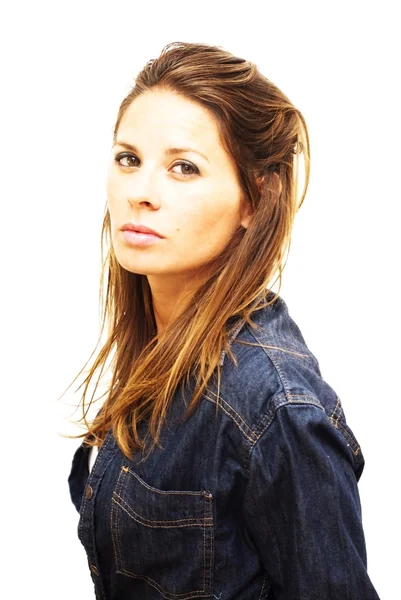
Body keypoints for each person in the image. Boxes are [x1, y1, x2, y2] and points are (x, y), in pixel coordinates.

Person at [67, 41, 380, 599]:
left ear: (253, 201)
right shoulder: (161, 345)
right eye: (129, 159)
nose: (141, 192)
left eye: (183, 168)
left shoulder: (275, 408)